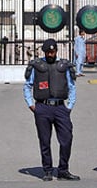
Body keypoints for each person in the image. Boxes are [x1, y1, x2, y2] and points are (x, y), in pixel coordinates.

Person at [23, 39, 80, 181]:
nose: (50, 54)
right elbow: (27, 86)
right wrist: (31, 104)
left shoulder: (64, 65)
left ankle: (63, 170)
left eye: (52, 52)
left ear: (56, 51)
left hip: (61, 107)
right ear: (44, 52)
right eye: (48, 52)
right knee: (44, 140)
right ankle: (47, 170)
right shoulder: (37, 65)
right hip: (42, 107)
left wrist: (70, 106)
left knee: (66, 139)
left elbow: (72, 86)